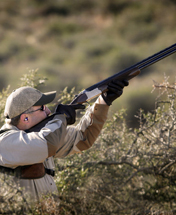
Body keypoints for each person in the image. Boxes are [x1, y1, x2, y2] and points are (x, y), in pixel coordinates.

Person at [0, 79, 128, 201]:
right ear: (25, 118)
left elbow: (82, 137)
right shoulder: (5, 143)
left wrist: (104, 101)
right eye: (43, 108)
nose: (49, 111)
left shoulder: (37, 136)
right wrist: (61, 118)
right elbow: (48, 142)